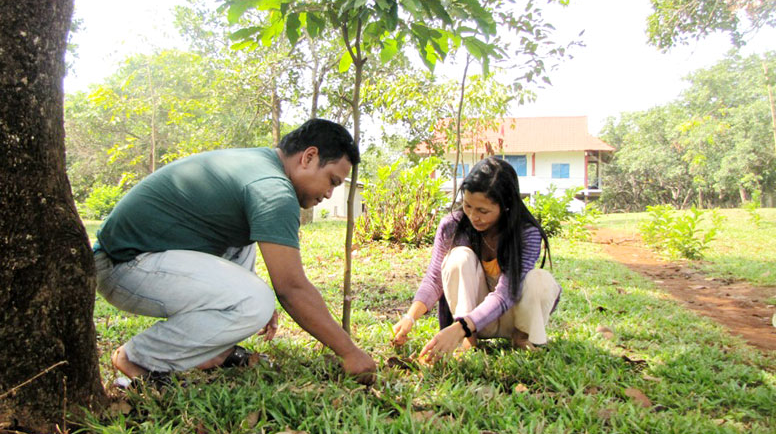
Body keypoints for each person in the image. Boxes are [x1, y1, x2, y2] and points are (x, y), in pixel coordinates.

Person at [94, 118, 376, 385]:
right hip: (123, 265)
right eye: (333, 181)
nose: (329, 194)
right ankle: (137, 358)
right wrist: (350, 352)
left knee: (246, 256)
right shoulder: (273, 190)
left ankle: (214, 352)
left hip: (140, 255)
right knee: (255, 301)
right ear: (309, 157)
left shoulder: (259, 164)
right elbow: (292, 288)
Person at [392, 156, 561, 361]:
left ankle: (522, 338)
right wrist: (410, 317)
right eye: (468, 206)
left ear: (505, 206)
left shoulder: (526, 233)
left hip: (510, 317)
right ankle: (468, 340)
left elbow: (506, 293)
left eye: (483, 211)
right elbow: (435, 277)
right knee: (459, 257)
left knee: (540, 280)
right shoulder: (451, 225)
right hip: (470, 319)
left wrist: (460, 327)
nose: (473, 216)